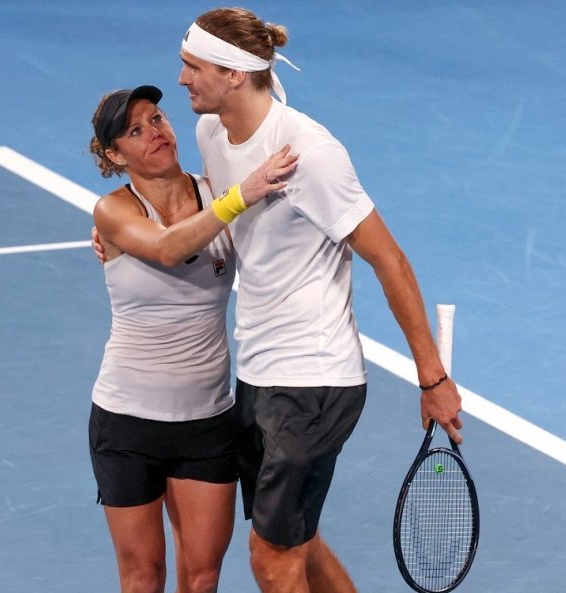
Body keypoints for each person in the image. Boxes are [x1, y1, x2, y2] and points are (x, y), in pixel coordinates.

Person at [175, 8, 465, 593]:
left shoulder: (311, 152)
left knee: (271, 558)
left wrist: (432, 380)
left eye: (193, 66)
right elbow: (222, 215)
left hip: (314, 379)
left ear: (233, 75)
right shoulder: (211, 132)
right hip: (259, 370)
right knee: (296, 541)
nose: (183, 79)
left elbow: (390, 260)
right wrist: (135, 221)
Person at [86, 84, 297, 593]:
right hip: (127, 424)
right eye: (135, 131)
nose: (154, 133)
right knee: (143, 577)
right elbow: (165, 248)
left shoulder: (214, 194)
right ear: (115, 155)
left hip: (207, 423)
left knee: (202, 578)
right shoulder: (113, 212)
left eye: (156, 119)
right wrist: (240, 196)